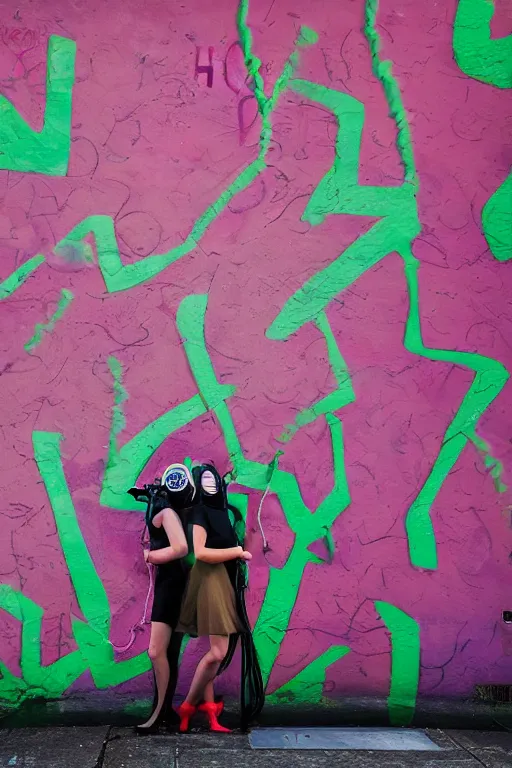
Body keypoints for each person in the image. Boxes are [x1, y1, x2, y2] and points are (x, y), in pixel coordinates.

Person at [176, 463, 265, 733]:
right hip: (210, 578)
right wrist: (237, 553)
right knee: (218, 652)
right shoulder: (201, 512)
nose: (210, 483)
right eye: (204, 480)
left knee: (214, 653)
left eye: (212, 478)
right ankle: (189, 705)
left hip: (222, 580)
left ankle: (209, 709)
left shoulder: (221, 513)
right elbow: (201, 553)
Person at [127, 463, 196, 734]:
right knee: (168, 652)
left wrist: (150, 556)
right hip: (172, 585)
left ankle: (159, 714)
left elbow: (180, 548)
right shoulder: (170, 511)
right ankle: (164, 713)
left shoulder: (166, 512)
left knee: (156, 651)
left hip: (172, 586)